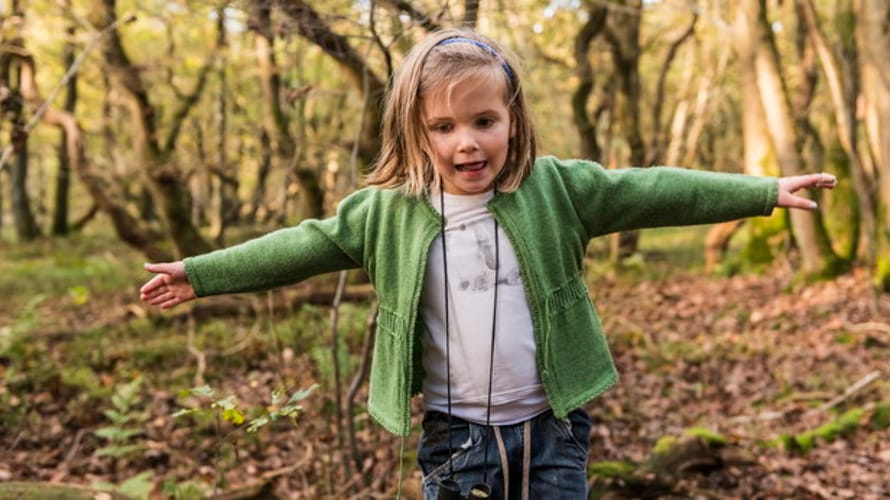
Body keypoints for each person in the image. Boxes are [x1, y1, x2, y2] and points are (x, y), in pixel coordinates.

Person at [140, 28, 837, 499]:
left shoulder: (556, 189)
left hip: (553, 428)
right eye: (442, 128)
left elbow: (650, 189)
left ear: (513, 119)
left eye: (483, 121)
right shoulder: (388, 209)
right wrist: (200, 273)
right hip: (456, 436)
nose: (466, 142)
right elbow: (299, 245)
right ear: (415, 132)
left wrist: (762, 192)